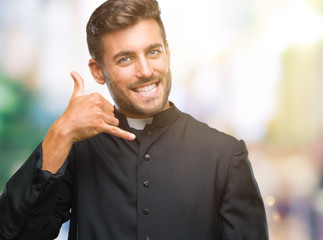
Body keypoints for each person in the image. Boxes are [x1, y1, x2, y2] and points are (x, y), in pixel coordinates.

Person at [0, 0, 269, 239]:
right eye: (125, 58)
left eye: (152, 52)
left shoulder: (225, 155)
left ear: (167, 52)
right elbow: (15, 232)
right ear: (97, 71)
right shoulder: (78, 150)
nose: (145, 71)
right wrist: (61, 133)